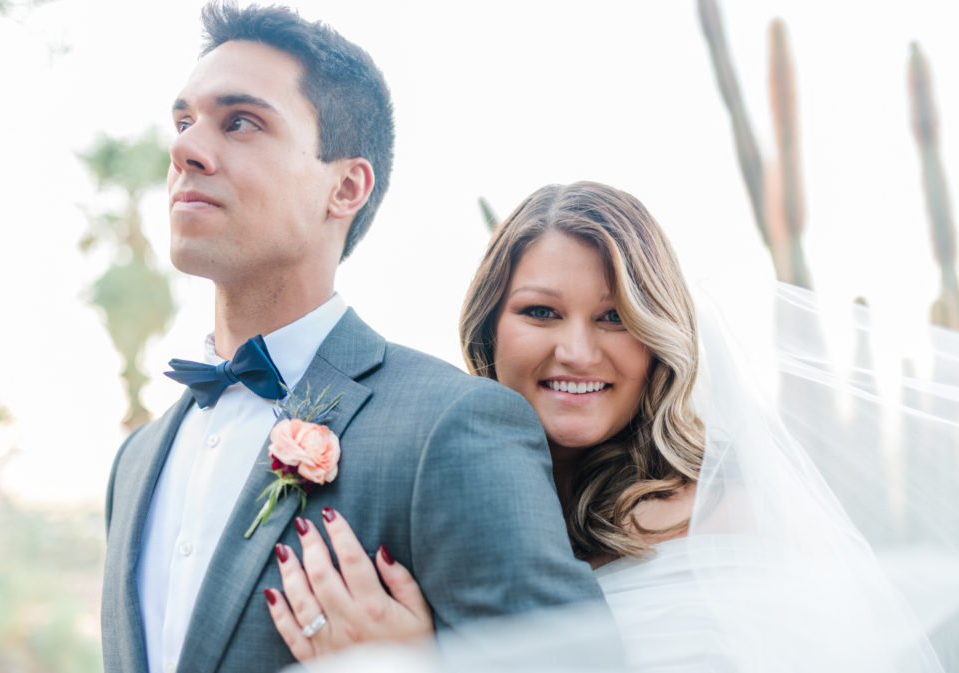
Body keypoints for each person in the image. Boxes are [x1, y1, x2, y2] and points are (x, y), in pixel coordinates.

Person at [99, 6, 605, 673]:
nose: (185, 148)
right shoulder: (132, 463)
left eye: (241, 121)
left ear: (345, 187)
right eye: (185, 120)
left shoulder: (451, 427)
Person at [267, 182, 954, 671]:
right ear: (488, 329)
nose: (576, 349)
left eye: (613, 316)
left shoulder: (725, 510)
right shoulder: (435, 495)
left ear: (658, 338)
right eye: (540, 312)